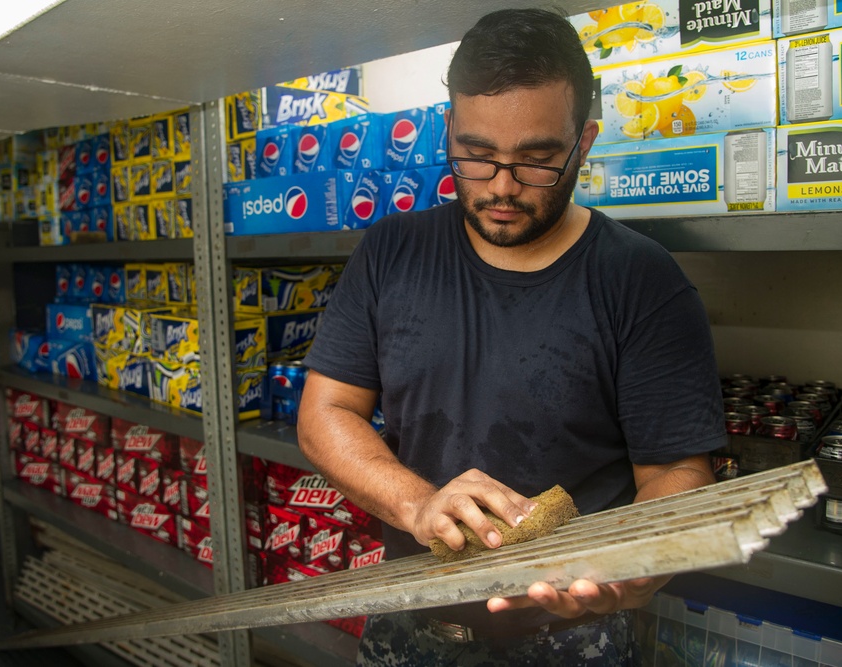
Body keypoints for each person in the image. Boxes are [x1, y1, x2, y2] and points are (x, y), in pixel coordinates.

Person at [298, 7, 725, 665]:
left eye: (536, 160)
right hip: (409, 623)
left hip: (572, 637)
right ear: (450, 130)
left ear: (583, 141)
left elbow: (676, 468)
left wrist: (632, 562)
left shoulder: (642, 279)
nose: (501, 186)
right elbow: (326, 412)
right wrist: (419, 506)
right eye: (475, 155)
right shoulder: (392, 252)